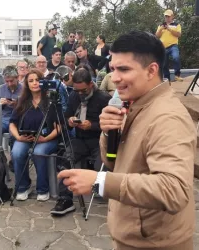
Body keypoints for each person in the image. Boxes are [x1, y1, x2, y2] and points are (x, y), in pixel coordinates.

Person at [58, 31, 196, 249]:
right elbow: (115, 162)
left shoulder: (167, 118)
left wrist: (99, 182)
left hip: (154, 243)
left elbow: (174, 190)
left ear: (152, 70)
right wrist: (106, 132)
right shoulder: (137, 104)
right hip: (135, 236)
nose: (114, 78)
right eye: (113, 69)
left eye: (124, 69)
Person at [51, 66, 111, 216]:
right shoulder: (74, 96)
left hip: (99, 140)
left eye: (83, 90)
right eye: (76, 90)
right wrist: (69, 121)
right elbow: (64, 118)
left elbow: (111, 126)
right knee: (66, 159)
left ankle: (102, 193)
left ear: (91, 84)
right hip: (80, 139)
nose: (80, 94)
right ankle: (65, 199)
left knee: (101, 164)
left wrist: (93, 125)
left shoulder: (104, 98)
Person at [10, 69, 59, 202]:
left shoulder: (50, 100)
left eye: (37, 80)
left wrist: (45, 139)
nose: (34, 83)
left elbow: (59, 127)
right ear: (27, 84)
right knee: (16, 152)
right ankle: (23, 187)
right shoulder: (23, 101)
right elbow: (12, 124)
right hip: (26, 137)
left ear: (42, 81)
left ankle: (43, 188)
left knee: (38, 152)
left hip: (47, 139)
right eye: (31, 81)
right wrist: (18, 137)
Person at [156, 9, 183, 82]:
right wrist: (161, 29)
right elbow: (157, 36)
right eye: (165, 16)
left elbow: (178, 34)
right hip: (163, 47)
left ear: (172, 16)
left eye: (168, 16)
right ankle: (167, 79)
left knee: (176, 57)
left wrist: (169, 29)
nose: (167, 18)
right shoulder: (161, 25)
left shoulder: (177, 25)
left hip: (173, 46)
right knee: (164, 63)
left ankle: (177, 75)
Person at [0, 66, 22, 134]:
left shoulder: (24, 89)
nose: (9, 84)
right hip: (4, 119)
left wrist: (17, 104)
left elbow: (29, 108)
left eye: (11, 81)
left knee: (13, 133)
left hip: (19, 119)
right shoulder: (1, 89)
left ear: (17, 78)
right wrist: (0, 104)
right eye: (7, 81)